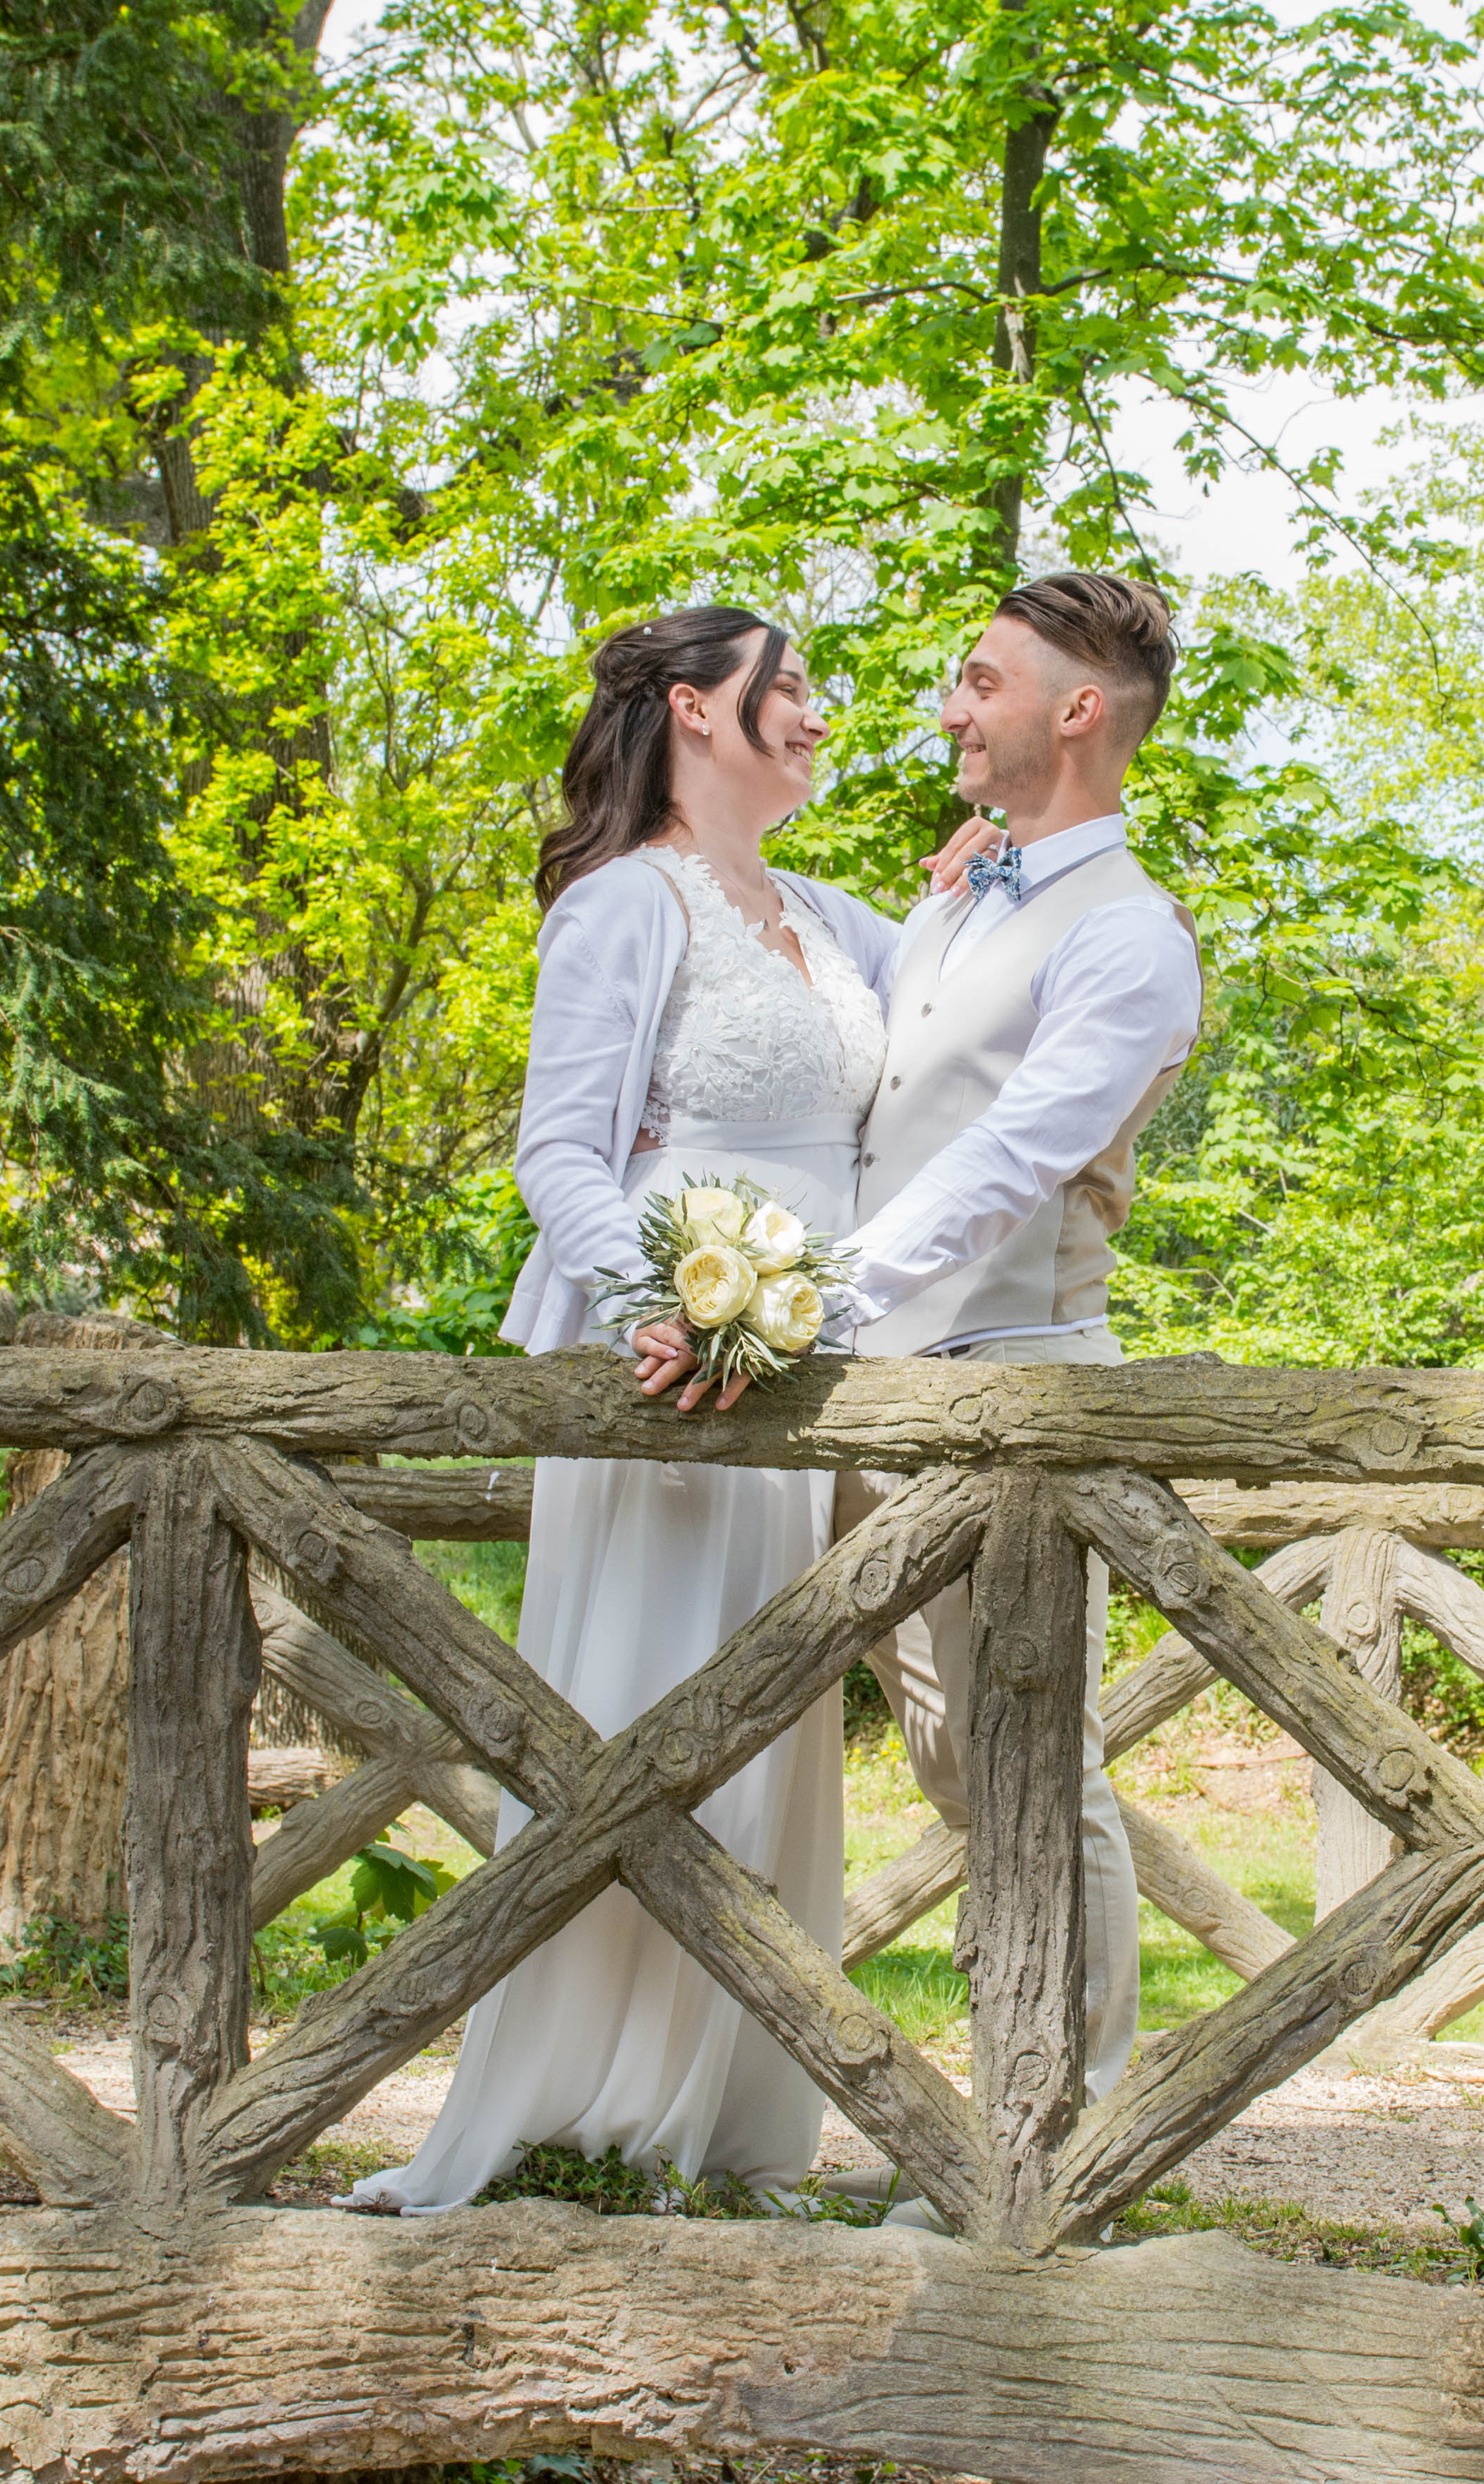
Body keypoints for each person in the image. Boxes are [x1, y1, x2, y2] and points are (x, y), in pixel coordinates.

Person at [342, 604, 906, 2215]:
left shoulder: (826, 916)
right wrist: (656, 1299)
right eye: (785, 688)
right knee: (640, 1711)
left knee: (762, 1727)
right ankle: (575, 2100)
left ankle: (728, 2117)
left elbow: (954, 993)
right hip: (669, 1362)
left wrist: (977, 879)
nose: (813, 712)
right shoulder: (621, 906)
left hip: (801, 1353)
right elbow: (560, 1153)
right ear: (693, 713)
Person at [632, 568, 1201, 2111]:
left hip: (1014, 1399)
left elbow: (1009, 1160)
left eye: (978, 681)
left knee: (1023, 1762)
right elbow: (849, 1047)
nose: (948, 707)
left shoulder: (1131, 939)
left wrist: (794, 1303)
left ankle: (1052, 2125)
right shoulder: (964, 904)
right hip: (879, 1401)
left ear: (1076, 712)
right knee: (949, 1765)